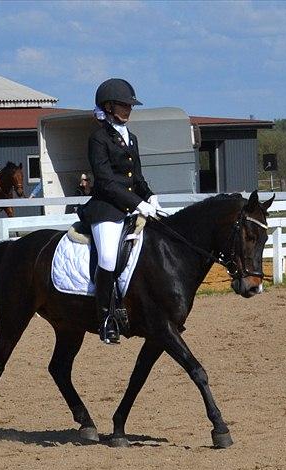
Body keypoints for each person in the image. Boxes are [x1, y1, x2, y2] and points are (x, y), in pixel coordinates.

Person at [77, 78, 163, 344]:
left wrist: (151, 196)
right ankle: (105, 319)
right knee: (108, 257)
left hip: (131, 204)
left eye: (130, 105)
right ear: (109, 106)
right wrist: (138, 204)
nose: (129, 109)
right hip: (106, 209)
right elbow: (105, 181)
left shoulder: (131, 138)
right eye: (125, 105)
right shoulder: (98, 138)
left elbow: (136, 178)